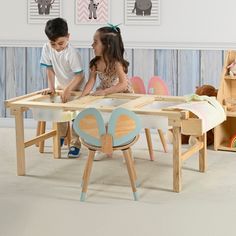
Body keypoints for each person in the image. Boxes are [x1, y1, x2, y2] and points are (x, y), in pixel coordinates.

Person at [80, 24, 133, 160]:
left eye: (95, 42)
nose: (92, 45)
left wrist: (104, 92)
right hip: (105, 94)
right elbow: (91, 82)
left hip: (120, 94)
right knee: (99, 118)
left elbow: (123, 84)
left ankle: (126, 147)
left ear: (107, 45)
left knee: (119, 120)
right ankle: (101, 145)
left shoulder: (116, 63)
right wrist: (82, 96)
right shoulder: (95, 63)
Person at [40, 17, 84, 158]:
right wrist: (51, 87)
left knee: (76, 117)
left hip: (76, 87)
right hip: (61, 86)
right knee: (60, 113)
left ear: (68, 37)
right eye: (53, 44)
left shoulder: (72, 53)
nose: (57, 47)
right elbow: (49, 69)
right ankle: (60, 136)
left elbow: (79, 75)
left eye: (61, 43)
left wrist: (69, 89)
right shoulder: (47, 48)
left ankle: (75, 143)